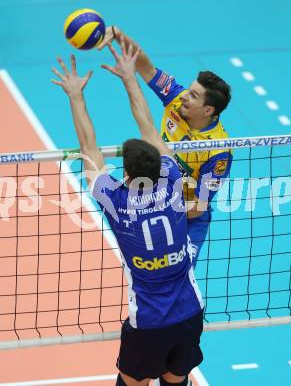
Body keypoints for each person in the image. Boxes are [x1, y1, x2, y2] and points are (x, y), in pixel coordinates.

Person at [51, 38, 204, 386]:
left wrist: (75, 94)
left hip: (149, 321)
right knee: (176, 380)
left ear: (129, 175)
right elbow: (150, 129)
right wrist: (131, 78)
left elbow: (88, 148)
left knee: (134, 383)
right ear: (158, 166)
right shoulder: (173, 180)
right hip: (190, 311)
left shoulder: (116, 201)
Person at [98, 27, 233, 266]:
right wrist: (119, 36)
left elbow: (198, 207)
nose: (184, 96)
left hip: (187, 218)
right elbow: (146, 67)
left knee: (180, 274)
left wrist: (162, 207)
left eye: (193, 95)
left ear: (208, 110)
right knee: (145, 271)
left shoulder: (219, 152)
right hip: (154, 198)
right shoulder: (175, 98)